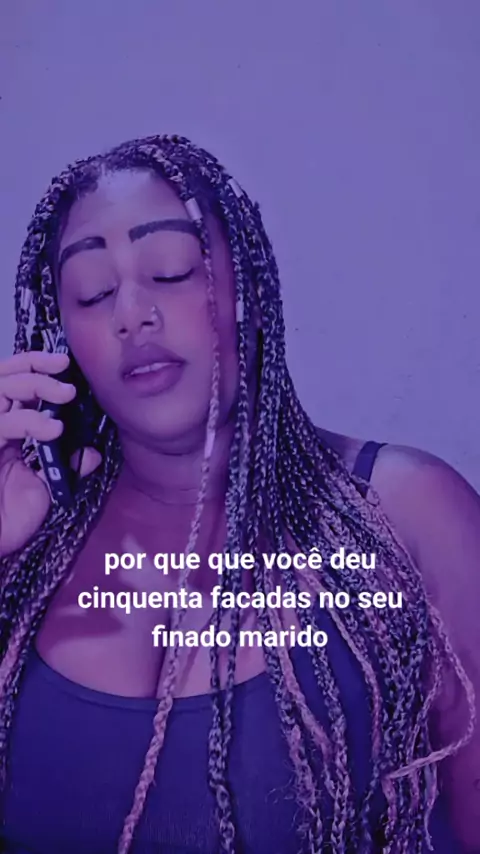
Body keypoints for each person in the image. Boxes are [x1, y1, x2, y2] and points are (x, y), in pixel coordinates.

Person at [0, 134, 478, 854]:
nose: (132, 313)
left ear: (248, 288)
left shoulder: (408, 515)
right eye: (94, 293)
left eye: (170, 270)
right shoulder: (25, 552)